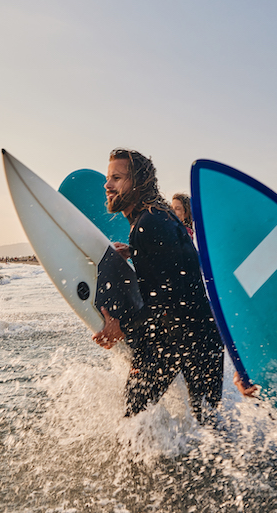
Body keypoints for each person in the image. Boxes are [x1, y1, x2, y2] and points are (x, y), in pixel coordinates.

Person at [92, 149, 224, 422]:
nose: (107, 185)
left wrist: (121, 327)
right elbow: (176, 271)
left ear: (138, 182)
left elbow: (168, 299)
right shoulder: (156, 216)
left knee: (134, 422)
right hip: (194, 335)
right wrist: (136, 252)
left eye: (116, 178)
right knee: (209, 428)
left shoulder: (149, 223)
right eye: (108, 178)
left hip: (182, 336)